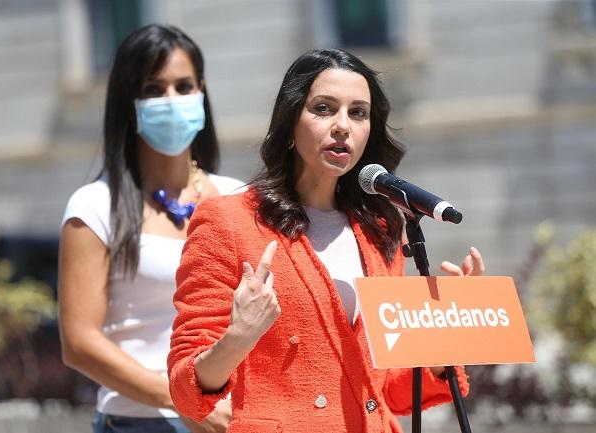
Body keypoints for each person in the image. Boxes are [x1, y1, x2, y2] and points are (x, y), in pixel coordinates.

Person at [167, 49, 485, 433]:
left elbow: (386, 391)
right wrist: (239, 337)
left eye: (358, 113)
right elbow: (186, 393)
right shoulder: (228, 222)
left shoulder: (381, 229)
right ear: (289, 124)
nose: (342, 126)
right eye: (323, 108)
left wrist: (443, 340)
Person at [58, 24, 242, 433]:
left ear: (202, 91)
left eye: (183, 86)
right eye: (153, 90)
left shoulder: (237, 197)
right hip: (140, 420)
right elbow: (79, 343)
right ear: (128, 101)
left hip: (235, 418)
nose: (172, 100)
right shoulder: (94, 207)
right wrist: (186, 400)